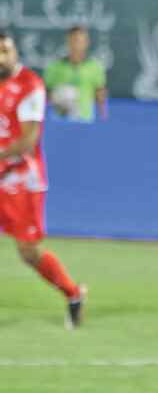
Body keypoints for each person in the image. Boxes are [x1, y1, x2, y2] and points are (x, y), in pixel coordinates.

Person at [0, 32, 85, 329]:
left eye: (5, 51)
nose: (1, 58)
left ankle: (73, 294)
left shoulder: (29, 85)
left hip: (22, 179)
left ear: (15, 52)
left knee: (28, 252)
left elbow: (28, 139)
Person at [43, 26, 107, 122]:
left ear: (87, 43)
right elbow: (44, 95)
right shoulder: (54, 67)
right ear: (68, 42)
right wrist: (59, 98)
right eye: (73, 40)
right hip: (59, 121)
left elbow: (100, 95)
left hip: (85, 120)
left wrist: (103, 118)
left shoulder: (95, 67)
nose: (76, 45)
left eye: (80, 41)